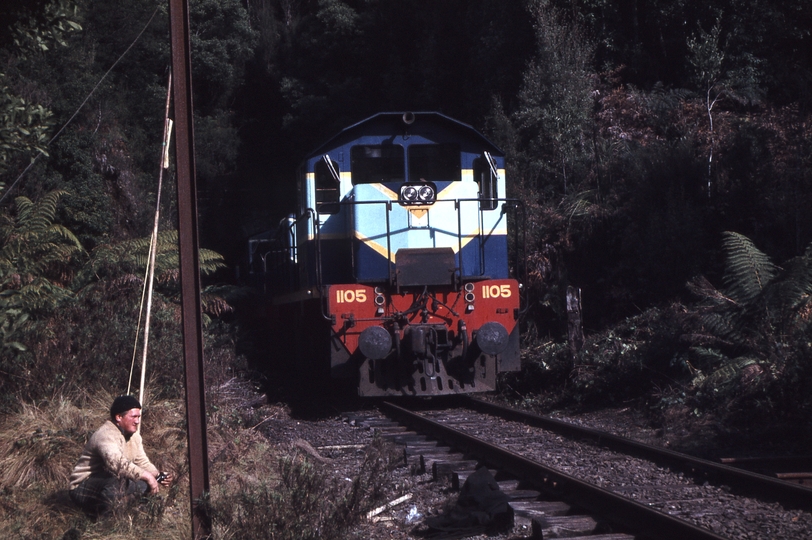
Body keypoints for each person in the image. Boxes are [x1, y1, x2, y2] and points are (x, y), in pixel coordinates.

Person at [68, 395, 173, 515]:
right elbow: (117, 464)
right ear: (118, 417)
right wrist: (148, 477)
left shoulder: (134, 436)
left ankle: (127, 510)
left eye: (138, 417)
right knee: (118, 482)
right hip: (82, 486)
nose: (137, 421)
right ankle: (107, 519)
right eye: (133, 417)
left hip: (107, 482)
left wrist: (157, 475)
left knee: (143, 483)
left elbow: (142, 462)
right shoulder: (105, 434)